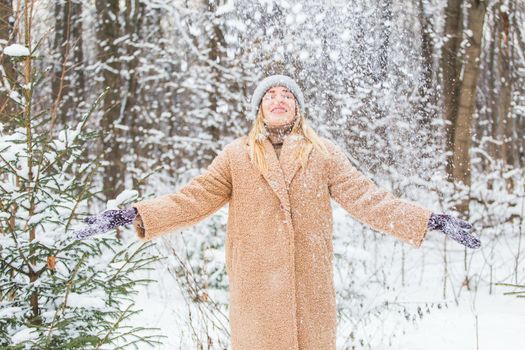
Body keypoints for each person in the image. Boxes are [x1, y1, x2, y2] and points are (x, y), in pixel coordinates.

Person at [74, 74, 481, 350]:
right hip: (257, 299)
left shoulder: (323, 155)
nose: (279, 99)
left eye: (287, 95)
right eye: (271, 95)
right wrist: (134, 214)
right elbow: (192, 198)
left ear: (298, 109)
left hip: (310, 298)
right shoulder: (236, 156)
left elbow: (368, 199)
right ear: (259, 109)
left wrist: (430, 220)